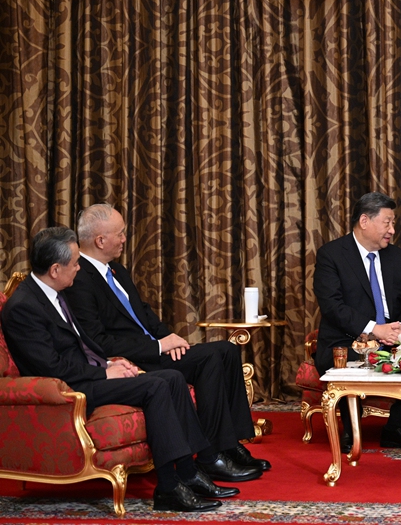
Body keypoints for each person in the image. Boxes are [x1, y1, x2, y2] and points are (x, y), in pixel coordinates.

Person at [0, 228, 232, 512]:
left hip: (87, 375)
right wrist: (103, 373)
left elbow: (83, 342)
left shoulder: (54, 291)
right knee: (157, 385)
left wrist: (109, 362)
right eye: (74, 262)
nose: (78, 267)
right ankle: (169, 488)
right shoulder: (23, 307)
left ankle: (189, 473)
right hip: (70, 390)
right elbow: (49, 366)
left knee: (172, 378)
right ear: (55, 269)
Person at [65, 204, 269, 483]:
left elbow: (144, 313)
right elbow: (98, 341)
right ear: (100, 240)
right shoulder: (80, 280)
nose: (125, 239)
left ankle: (231, 443)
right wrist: (159, 347)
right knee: (210, 358)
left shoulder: (116, 270)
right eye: (121, 234)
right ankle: (212, 456)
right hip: (137, 358)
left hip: (154, 349)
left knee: (226, 350)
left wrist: (170, 338)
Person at [313, 191, 401, 453]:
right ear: (365, 221)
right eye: (387, 222)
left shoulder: (398, 258)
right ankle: (350, 429)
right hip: (346, 338)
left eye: (393, 223)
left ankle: (397, 428)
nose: (392, 229)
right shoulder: (331, 255)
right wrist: (374, 329)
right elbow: (332, 306)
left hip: (393, 337)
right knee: (343, 361)